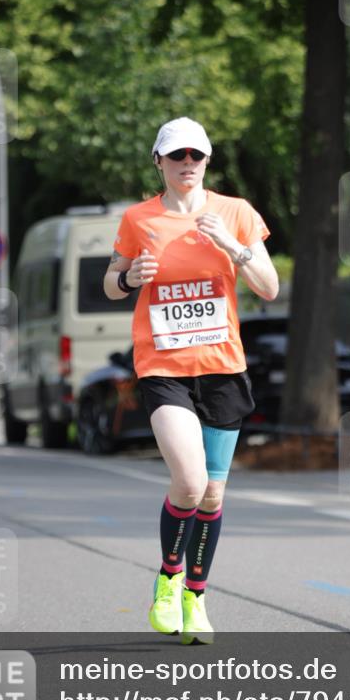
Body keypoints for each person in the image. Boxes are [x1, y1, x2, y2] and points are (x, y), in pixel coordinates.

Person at [104, 117, 279, 643]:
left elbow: (268, 287)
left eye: (195, 156)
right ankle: (169, 578)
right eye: (176, 156)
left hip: (223, 367)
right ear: (158, 161)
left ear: (207, 161)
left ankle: (197, 598)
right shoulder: (140, 219)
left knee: (214, 492)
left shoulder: (236, 214)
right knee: (190, 481)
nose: (186, 165)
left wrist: (232, 245)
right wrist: (128, 277)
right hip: (163, 367)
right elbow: (112, 283)